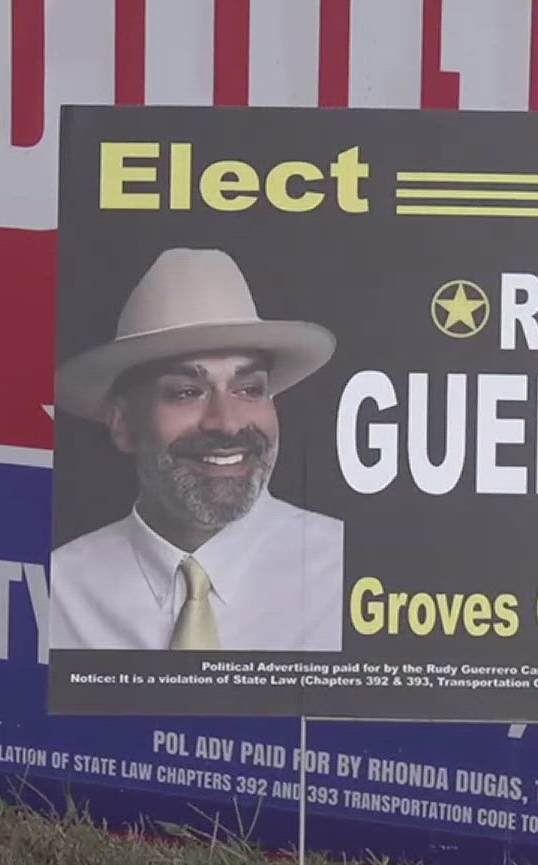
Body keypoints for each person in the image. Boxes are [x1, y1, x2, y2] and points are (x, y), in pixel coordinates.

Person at [48, 247, 344, 652]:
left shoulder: (348, 575)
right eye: (187, 392)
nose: (228, 421)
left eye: (249, 389)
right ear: (123, 424)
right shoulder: (58, 590)